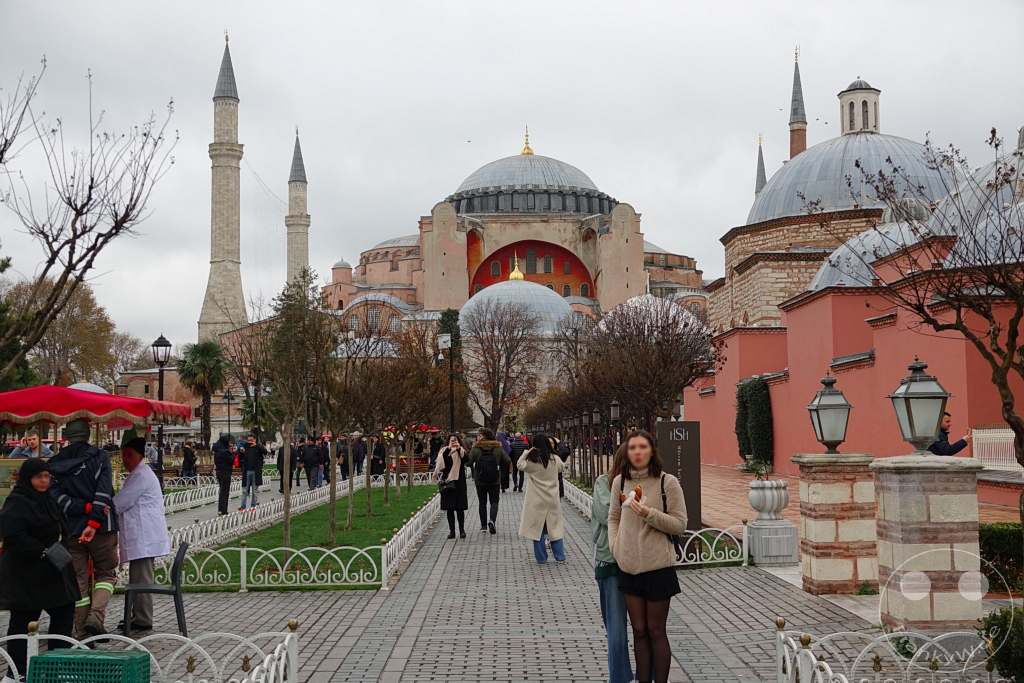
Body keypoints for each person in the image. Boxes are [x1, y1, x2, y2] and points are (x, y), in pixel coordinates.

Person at [607, 430, 687, 683]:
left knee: (655, 630)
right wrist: (616, 547)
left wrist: (648, 514)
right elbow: (613, 518)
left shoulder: (667, 482)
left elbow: (679, 524)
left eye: (643, 447)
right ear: (627, 452)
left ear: (652, 451)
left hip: (658, 567)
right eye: (633, 447)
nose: (637, 452)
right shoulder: (620, 482)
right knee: (639, 631)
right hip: (628, 566)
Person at [0, 459, 79, 679]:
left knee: (64, 611)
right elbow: (13, 536)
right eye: (39, 477)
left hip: (52, 571)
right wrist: (41, 551)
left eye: (46, 476)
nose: (44, 481)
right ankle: (17, 673)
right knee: (22, 622)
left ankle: (57, 667)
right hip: (26, 574)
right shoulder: (18, 501)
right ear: (28, 478)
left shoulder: (47, 499)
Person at [46, 418, 118, 639]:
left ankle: (82, 635)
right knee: (107, 574)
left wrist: (81, 508)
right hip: (103, 527)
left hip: (71, 529)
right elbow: (104, 493)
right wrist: (93, 521)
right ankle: (96, 616)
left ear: (67, 437)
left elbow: (57, 499)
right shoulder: (99, 457)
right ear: (88, 435)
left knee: (78, 582)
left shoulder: (54, 464)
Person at [112, 434, 170, 633]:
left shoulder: (141, 475)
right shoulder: (138, 474)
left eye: (129, 455)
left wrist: (102, 508)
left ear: (140, 456)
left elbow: (122, 502)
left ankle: (143, 618)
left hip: (145, 537)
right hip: (142, 536)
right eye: (123, 455)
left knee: (142, 579)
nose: (125, 459)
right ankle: (137, 615)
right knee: (137, 578)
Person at [592, 445, 633, 683]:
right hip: (611, 559)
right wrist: (641, 512)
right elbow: (607, 514)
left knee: (647, 628)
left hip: (642, 561)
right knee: (617, 627)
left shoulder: (651, 483)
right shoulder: (604, 482)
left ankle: (648, 674)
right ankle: (619, 677)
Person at [516, 432, 566, 563]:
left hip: (536, 500)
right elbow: (562, 467)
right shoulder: (555, 459)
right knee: (555, 528)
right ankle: (560, 556)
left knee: (537, 530)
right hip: (552, 498)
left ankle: (541, 558)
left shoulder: (532, 460)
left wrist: (527, 452)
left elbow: (519, 464)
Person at [468, 428, 511, 534]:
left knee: (482, 503)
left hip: (480, 479)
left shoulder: (475, 448)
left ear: (483, 436)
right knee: (494, 501)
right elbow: (508, 460)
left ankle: (483, 525)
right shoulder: (498, 448)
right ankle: (492, 520)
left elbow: (468, 463)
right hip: (495, 479)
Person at [434, 434, 468, 539]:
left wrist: (458, 448)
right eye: (451, 440)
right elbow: (441, 463)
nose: (453, 442)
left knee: (460, 509)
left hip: (459, 483)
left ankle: (462, 530)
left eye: (455, 440)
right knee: (450, 509)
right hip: (448, 482)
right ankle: (452, 531)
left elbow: (467, 460)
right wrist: (449, 448)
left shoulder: (461, 451)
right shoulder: (444, 451)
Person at [240, 434, 266, 510]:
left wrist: (256, 445)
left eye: (251, 440)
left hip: (255, 471)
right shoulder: (246, 447)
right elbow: (241, 458)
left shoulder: (258, 447)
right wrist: (241, 452)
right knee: (244, 490)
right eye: (249, 440)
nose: (250, 442)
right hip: (247, 471)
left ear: (255, 439)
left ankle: (253, 506)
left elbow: (264, 451)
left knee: (255, 490)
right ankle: (243, 507)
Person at [213, 434, 235, 515]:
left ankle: (221, 509)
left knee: (222, 491)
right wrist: (233, 453)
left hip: (219, 472)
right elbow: (230, 460)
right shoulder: (224, 451)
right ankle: (223, 510)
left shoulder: (217, 451)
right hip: (225, 472)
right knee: (225, 492)